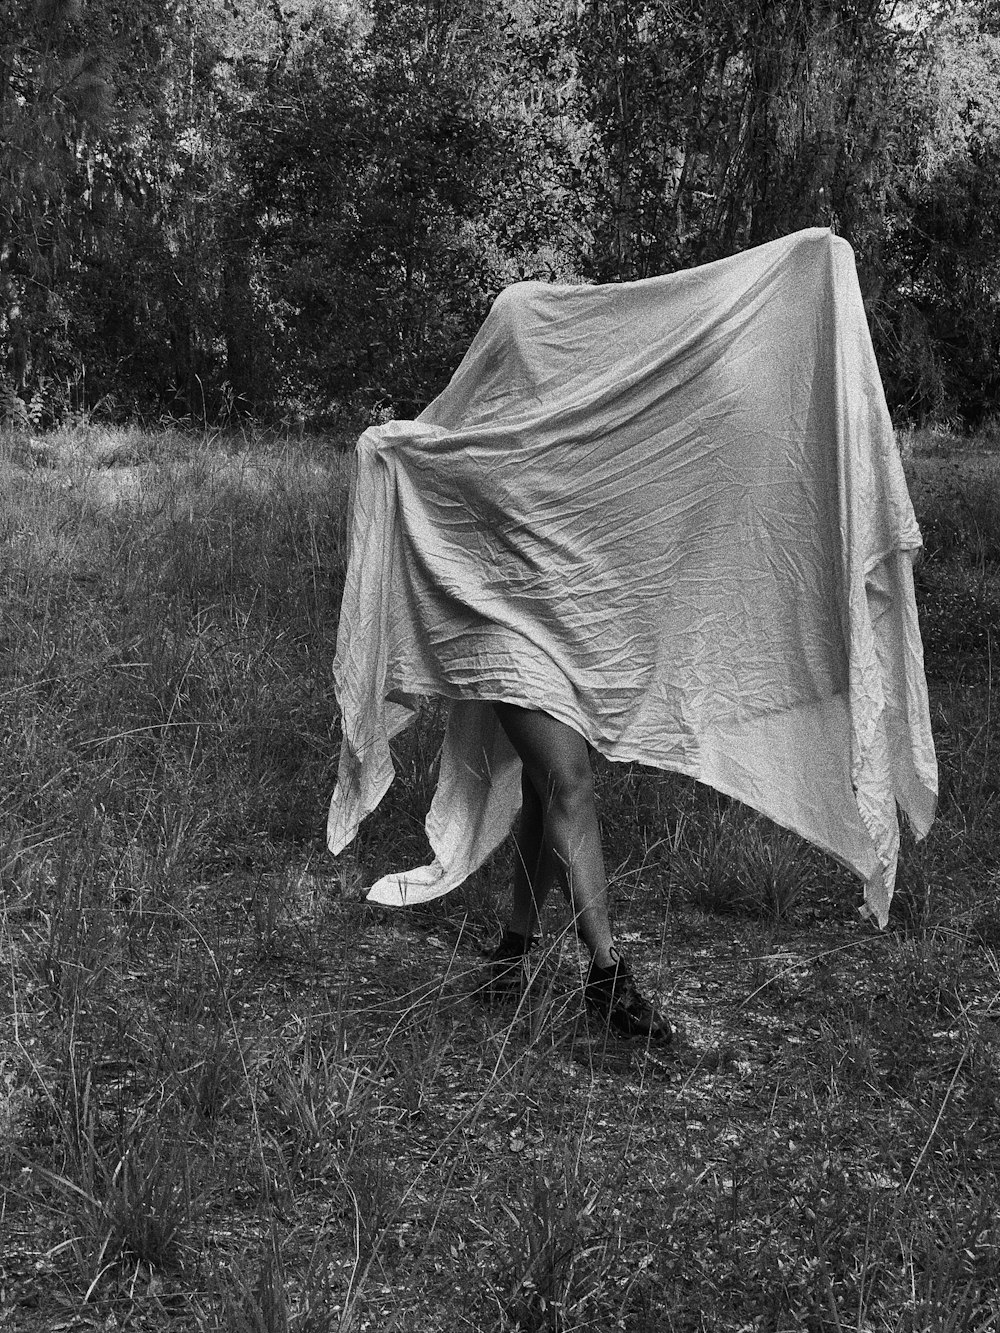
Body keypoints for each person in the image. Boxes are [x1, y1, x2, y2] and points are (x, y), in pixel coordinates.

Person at [485, 701, 673, 1043]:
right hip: (519, 645)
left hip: (579, 648)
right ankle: (607, 972)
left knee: (545, 779)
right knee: (566, 780)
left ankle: (514, 949)